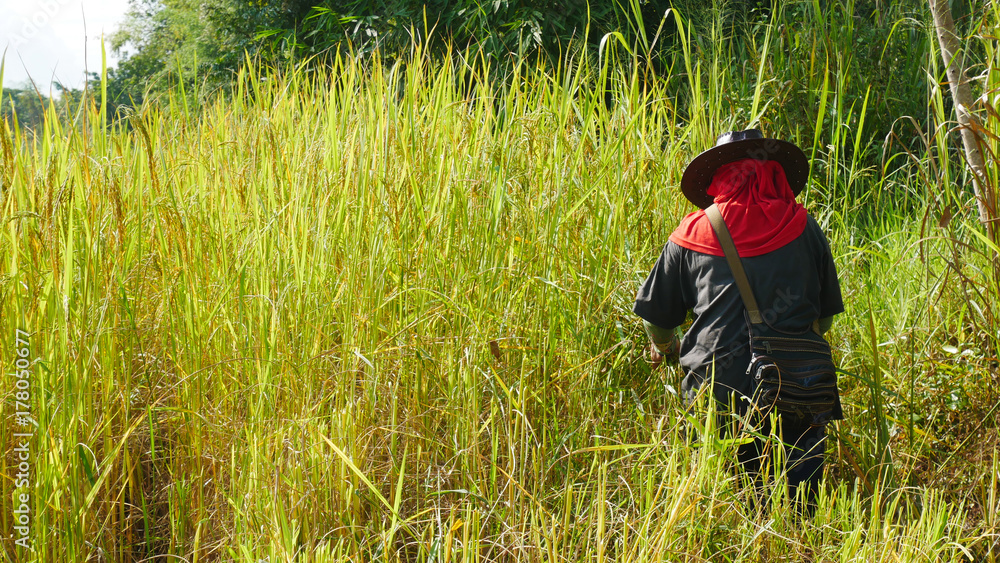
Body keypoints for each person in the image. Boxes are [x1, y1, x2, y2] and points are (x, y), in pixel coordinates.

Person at [633, 129, 844, 507]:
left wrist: (665, 347)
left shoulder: (691, 232)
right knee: (798, 511)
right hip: (799, 387)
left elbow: (657, 320)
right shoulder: (804, 227)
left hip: (716, 391)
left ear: (719, 178)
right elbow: (824, 321)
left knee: (722, 507)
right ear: (774, 174)